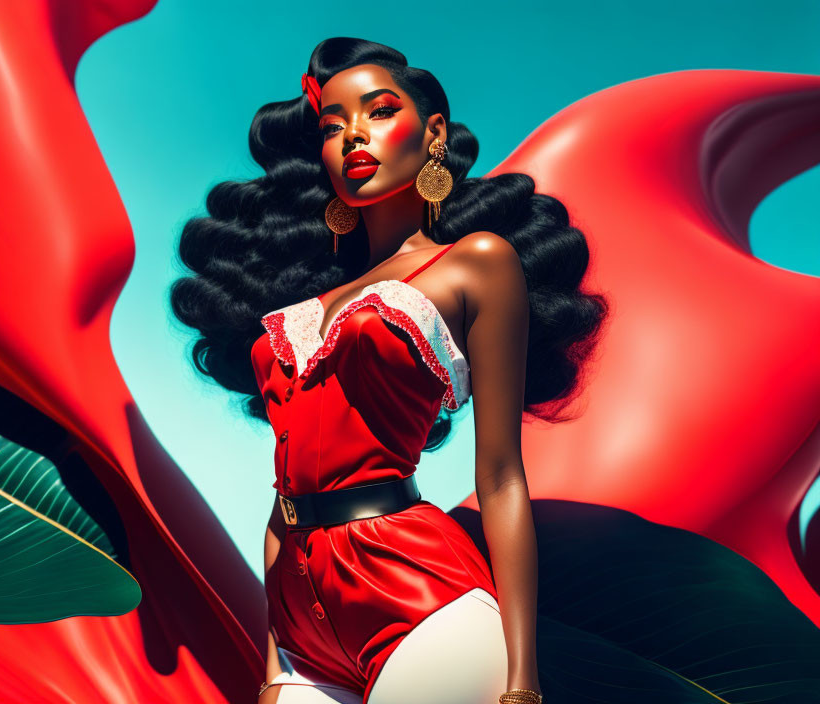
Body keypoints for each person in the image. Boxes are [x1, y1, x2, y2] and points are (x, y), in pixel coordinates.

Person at [170, 37, 607, 704]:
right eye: (332, 125)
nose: (353, 137)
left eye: (377, 112)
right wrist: (271, 664)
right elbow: (283, 498)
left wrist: (523, 677)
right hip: (301, 629)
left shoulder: (474, 263)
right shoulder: (305, 304)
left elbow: (499, 475)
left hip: (416, 594)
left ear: (431, 133)